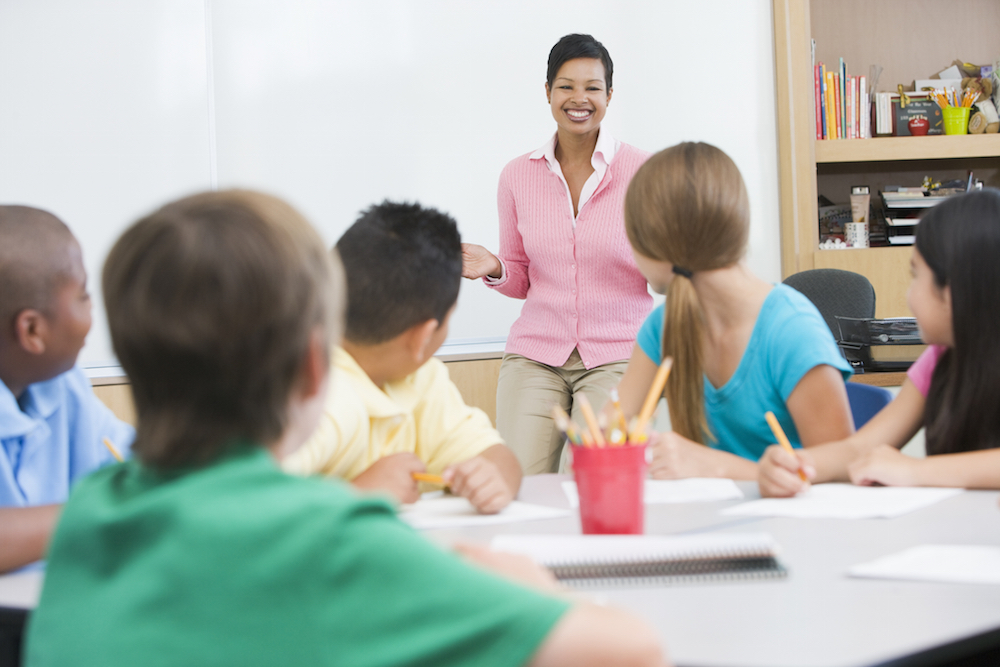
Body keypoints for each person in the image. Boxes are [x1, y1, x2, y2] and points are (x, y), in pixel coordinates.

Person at [24, 190, 665, 667]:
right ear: (315, 363)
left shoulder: (88, 515)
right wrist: (532, 587)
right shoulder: (333, 538)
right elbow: (631, 649)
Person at [461, 33, 652, 474]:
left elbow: (666, 267)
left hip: (618, 355)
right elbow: (521, 277)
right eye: (566, 86)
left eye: (592, 87)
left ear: (609, 95)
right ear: (548, 91)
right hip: (537, 355)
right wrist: (495, 267)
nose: (579, 98)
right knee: (521, 480)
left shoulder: (643, 171)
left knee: (588, 477)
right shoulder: (517, 175)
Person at [613, 142, 854, 479]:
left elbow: (844, 472)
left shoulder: (792, 329)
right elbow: (609, 431)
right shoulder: (662, 326)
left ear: (656, 242)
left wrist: (713, 466)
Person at [283, 201, 521, 513]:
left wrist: (492, 476)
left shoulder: (420, 377)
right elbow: (238, 514)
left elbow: (496, 455)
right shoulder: (318, 397)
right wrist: (357, 495)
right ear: (423, 337)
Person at [759, 189, 1000, 496]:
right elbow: (860, 449)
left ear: (953, 290)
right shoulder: (941, 358)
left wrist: (915, 471)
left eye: (916, 276)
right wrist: (798, 464)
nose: (909, 295)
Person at [0, 205, 133, 573]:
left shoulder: (63, 385)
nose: (92, 312)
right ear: (32, 330)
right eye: (83, 295)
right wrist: (99, 511)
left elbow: (129, 459)